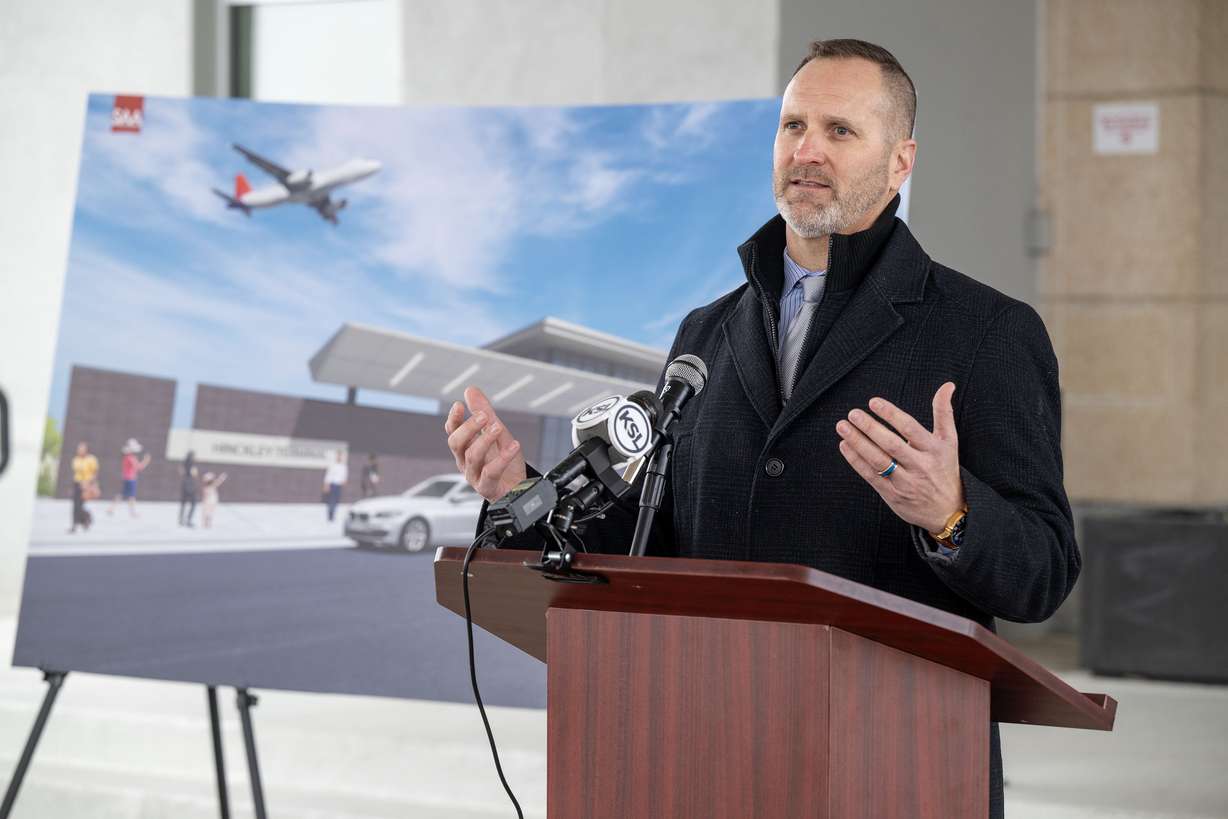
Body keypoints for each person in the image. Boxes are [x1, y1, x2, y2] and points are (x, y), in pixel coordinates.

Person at [445, 39, 1078, 817]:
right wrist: (519, 490)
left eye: (840, 131)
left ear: (901, 160)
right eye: (792, 127)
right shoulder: (704, 333)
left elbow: (1044, 570)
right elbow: (656, 536)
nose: (806, 151)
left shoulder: (988, 332)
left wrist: (952, 513)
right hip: (704, 751)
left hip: (894, 763)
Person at [107, 438, 151, 517]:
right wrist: (146, 461)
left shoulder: (126, 457)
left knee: (123, 495)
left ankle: (112, 508)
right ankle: (132, 512)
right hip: (131, 479)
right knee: (131, 496)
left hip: (126, 478)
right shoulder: (131, 458)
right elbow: (139, 467)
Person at [68, 442, 99, 533]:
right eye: (79, 449)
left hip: (87, 484)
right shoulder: (75, 460)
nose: (80, 450)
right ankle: (76, 524)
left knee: (79, 505)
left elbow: (95, 473)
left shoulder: (91, 459)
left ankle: (86, 518)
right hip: (77, 484)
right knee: (75, 505)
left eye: (82, 449)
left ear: (86, 450)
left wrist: (89, 483)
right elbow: (76, 473)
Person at [322, 450, 348, 522]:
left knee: (336, 501)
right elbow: (328, 476)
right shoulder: (333, 465)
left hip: (339, 485)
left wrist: (344, 481)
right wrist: (326, 485)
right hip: (332, 484)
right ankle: (330, 516)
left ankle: (333, 515)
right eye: (338, 455)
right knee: (331, 500)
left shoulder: (343, 466)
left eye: (340, 456)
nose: (339, 457)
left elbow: (344, 476)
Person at [179, 450, 199, 527]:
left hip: (184, 483)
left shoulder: (183, 463)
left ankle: (181, 520)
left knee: (183, 503)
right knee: (193, 503)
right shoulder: (192, 464)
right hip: (190, 484)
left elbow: (181, 472)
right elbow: (194, 474)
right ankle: (189, 520)